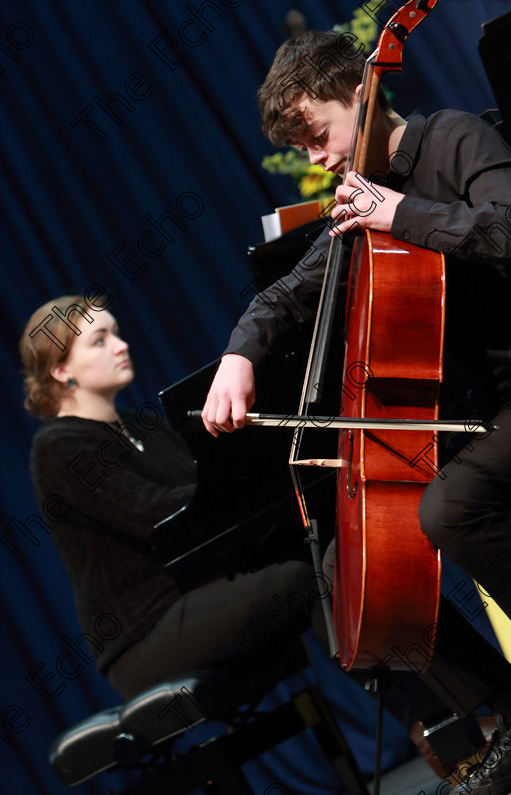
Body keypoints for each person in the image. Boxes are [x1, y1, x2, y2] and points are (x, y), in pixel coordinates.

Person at [201, 30, 511, 793]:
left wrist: (405, 216)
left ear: (359, 95)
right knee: (352, 569)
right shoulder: (361, 201)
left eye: (318, 134)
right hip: (496, 410)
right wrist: (240, 355)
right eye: (303, 146)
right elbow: (284, 295)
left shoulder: (454, 136)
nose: (319, 158)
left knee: (450, 509)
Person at [20, 295, 322, 701]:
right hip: (144, 633)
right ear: (60, 369)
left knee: (321, 550)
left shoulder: (142, 427)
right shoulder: (58, 447)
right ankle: (421, 720)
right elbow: (156, 512)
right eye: (99, 340)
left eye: (117, 334)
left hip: (195, 596)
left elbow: (199, 494)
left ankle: (424, 714)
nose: (120, 345)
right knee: (304, 576)